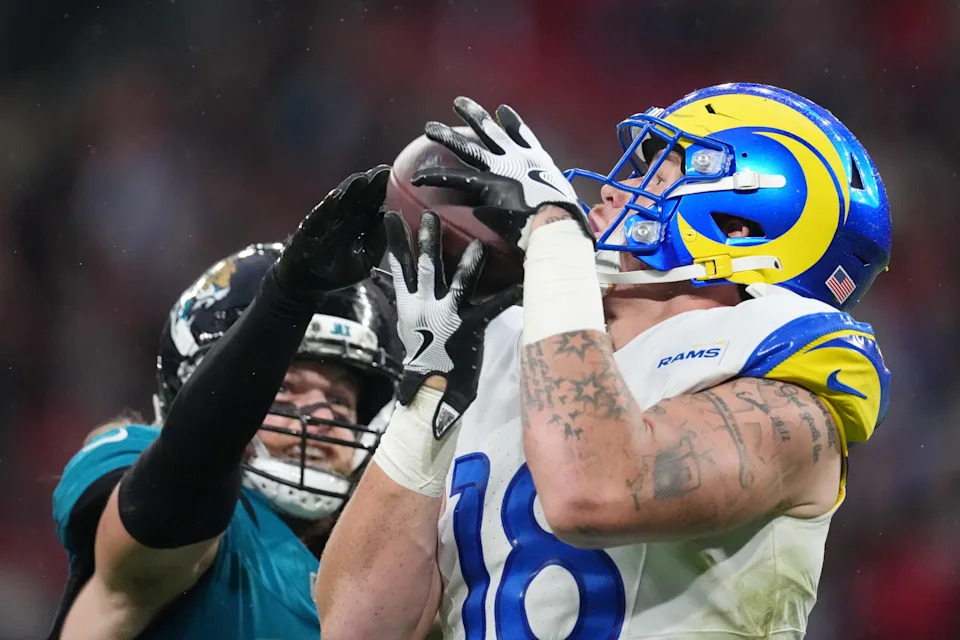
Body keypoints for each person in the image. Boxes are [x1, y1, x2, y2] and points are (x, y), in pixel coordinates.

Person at [316, 84, 892, 640]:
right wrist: (432, 397)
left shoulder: (783, 381)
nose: (613, 192)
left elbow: (592, 489)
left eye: (653, 172)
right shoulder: (511, 341)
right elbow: (356, 628)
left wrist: (555, 236)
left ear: (740, 225)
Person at [49, 167, 401, 639]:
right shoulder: (146, 470)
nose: (320, 416)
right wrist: (286, 302)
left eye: (340, 400)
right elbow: (179, 489)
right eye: (285, 388)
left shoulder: (387, 577)